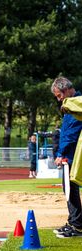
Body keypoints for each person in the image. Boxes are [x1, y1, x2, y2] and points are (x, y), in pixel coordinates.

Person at [51, 76, 82, 238]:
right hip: (70, 154)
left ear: (66, 90)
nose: (58, 99)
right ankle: (73, 222)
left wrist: (61, 154)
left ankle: (77, 225)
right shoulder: (72, 105)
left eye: (58, 95)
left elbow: (71, 133)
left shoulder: (76, 105)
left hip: (72, 155)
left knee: (70, 189)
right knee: (69, 189)